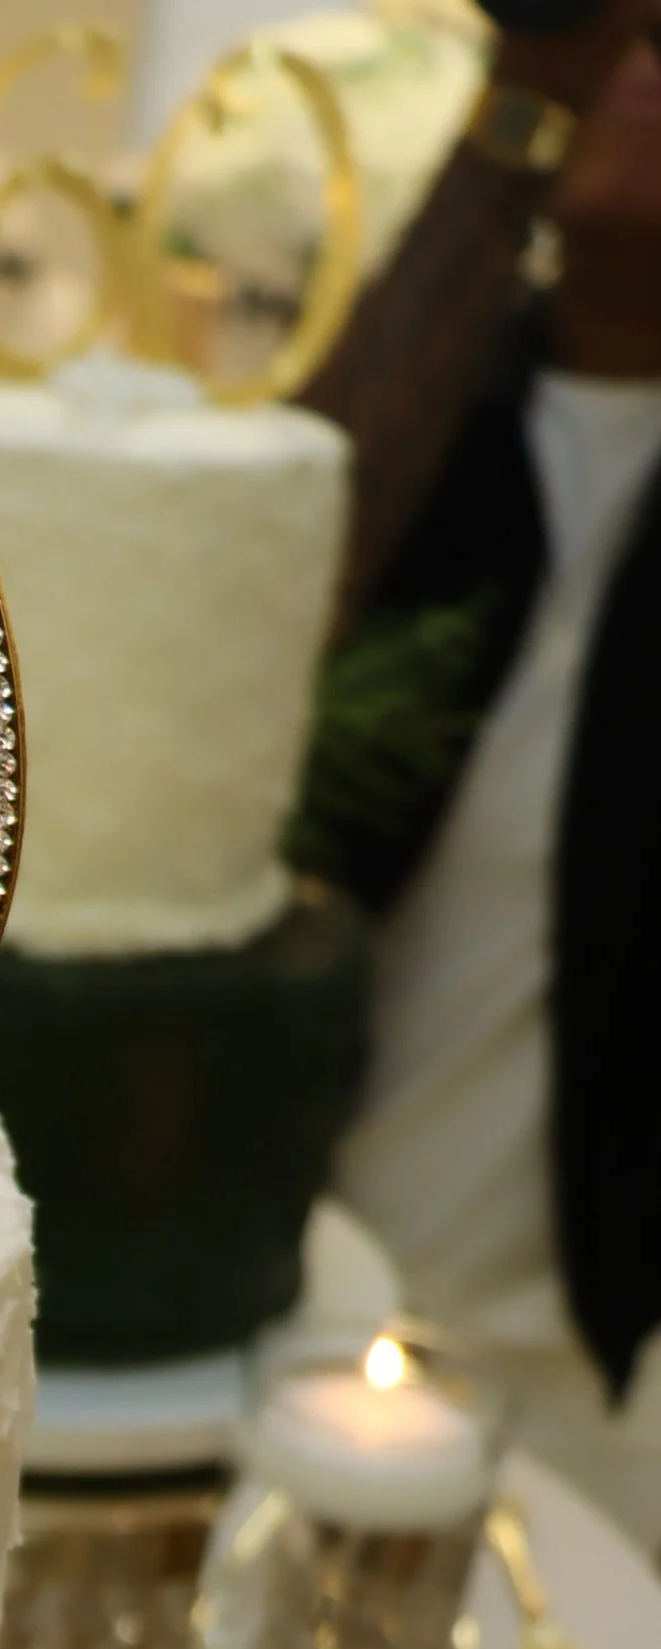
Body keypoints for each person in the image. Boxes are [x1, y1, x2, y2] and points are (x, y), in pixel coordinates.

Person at [311, 2, 661, 1538]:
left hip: (600, 1370)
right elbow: (287, 568)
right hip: (306, 1264)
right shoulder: (446, 413)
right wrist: (521, 106)